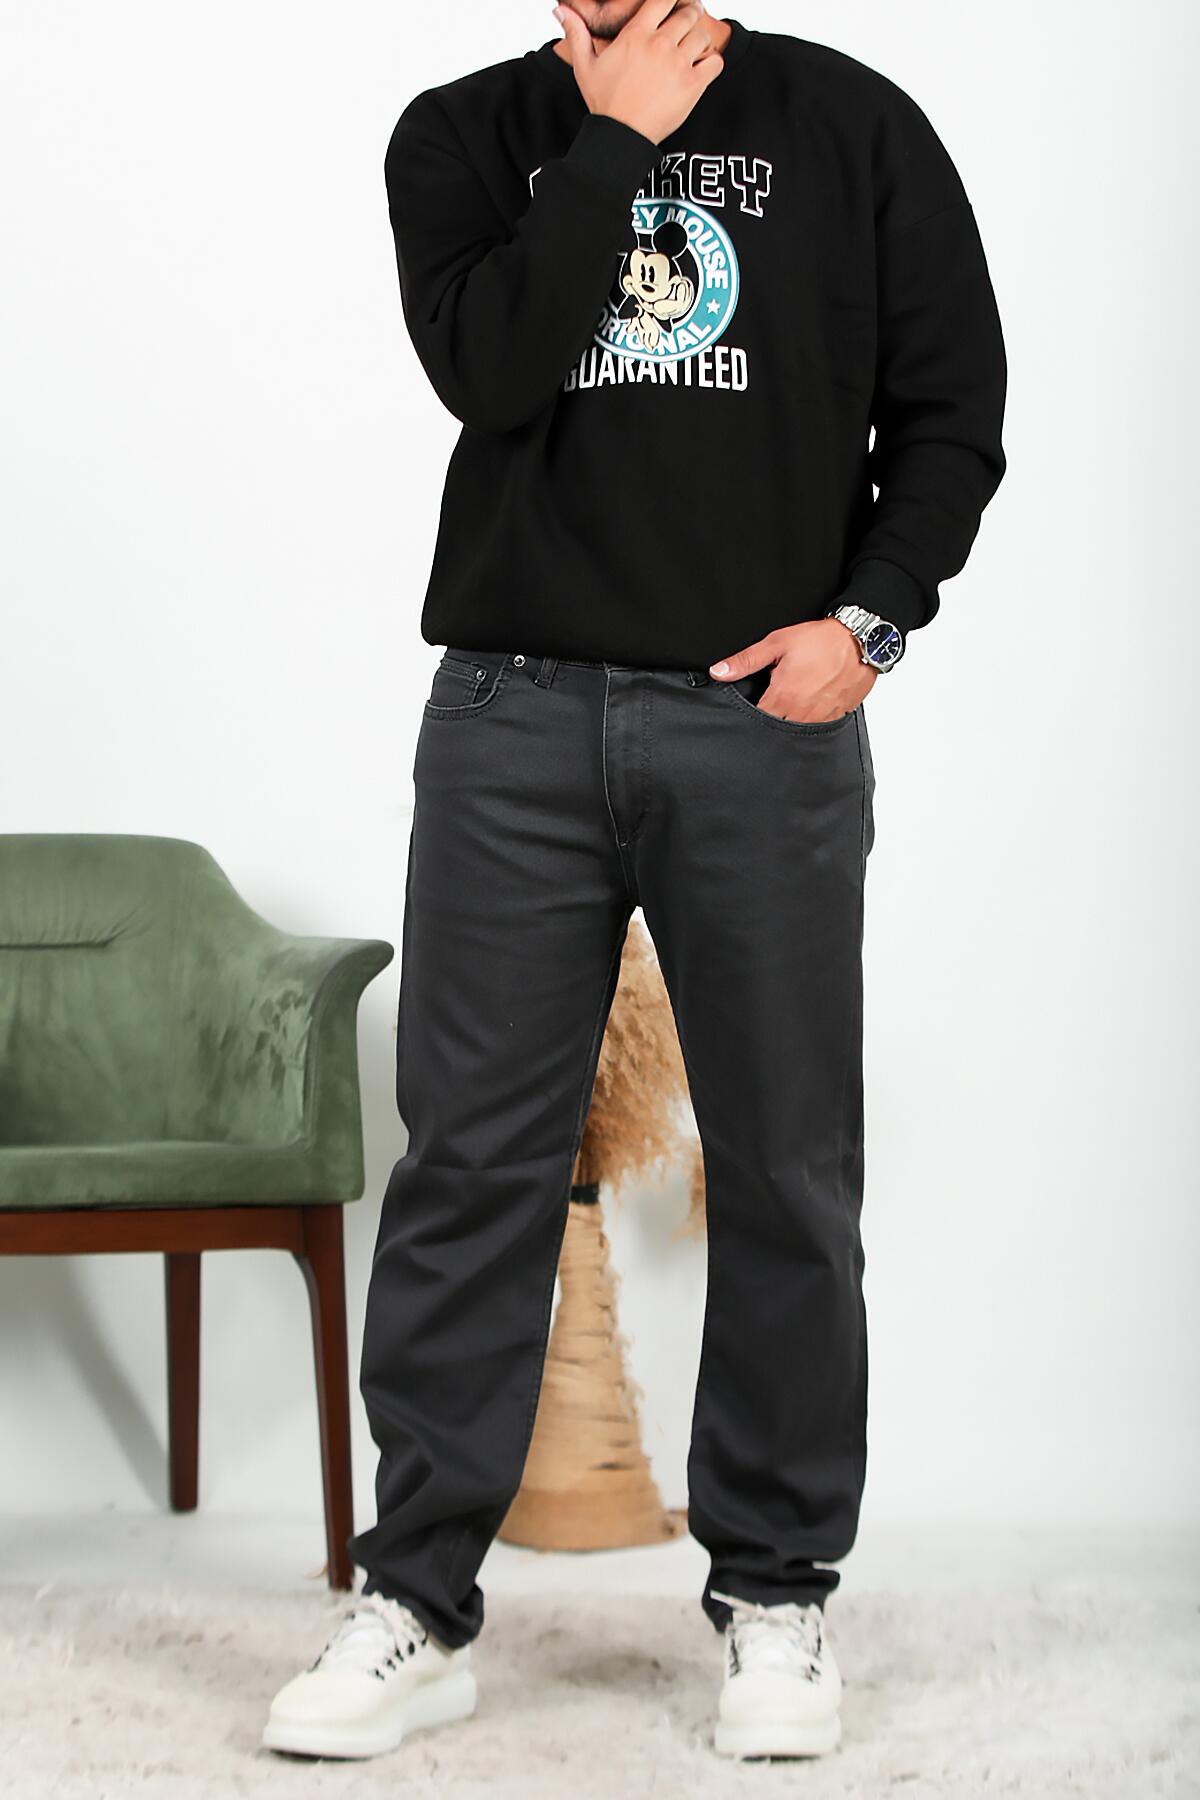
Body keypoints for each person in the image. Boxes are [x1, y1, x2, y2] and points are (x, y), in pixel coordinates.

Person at [262, 0, 1006, 1764]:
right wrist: (614, 145)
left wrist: (868, 624)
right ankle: (417, 1600)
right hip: (512, 716)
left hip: (761, 724)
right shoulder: (464, 133)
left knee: (787, 1165)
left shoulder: (853, 125)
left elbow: (953, 410)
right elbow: (496, 369)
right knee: (470, 1165)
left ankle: (777, 1595)